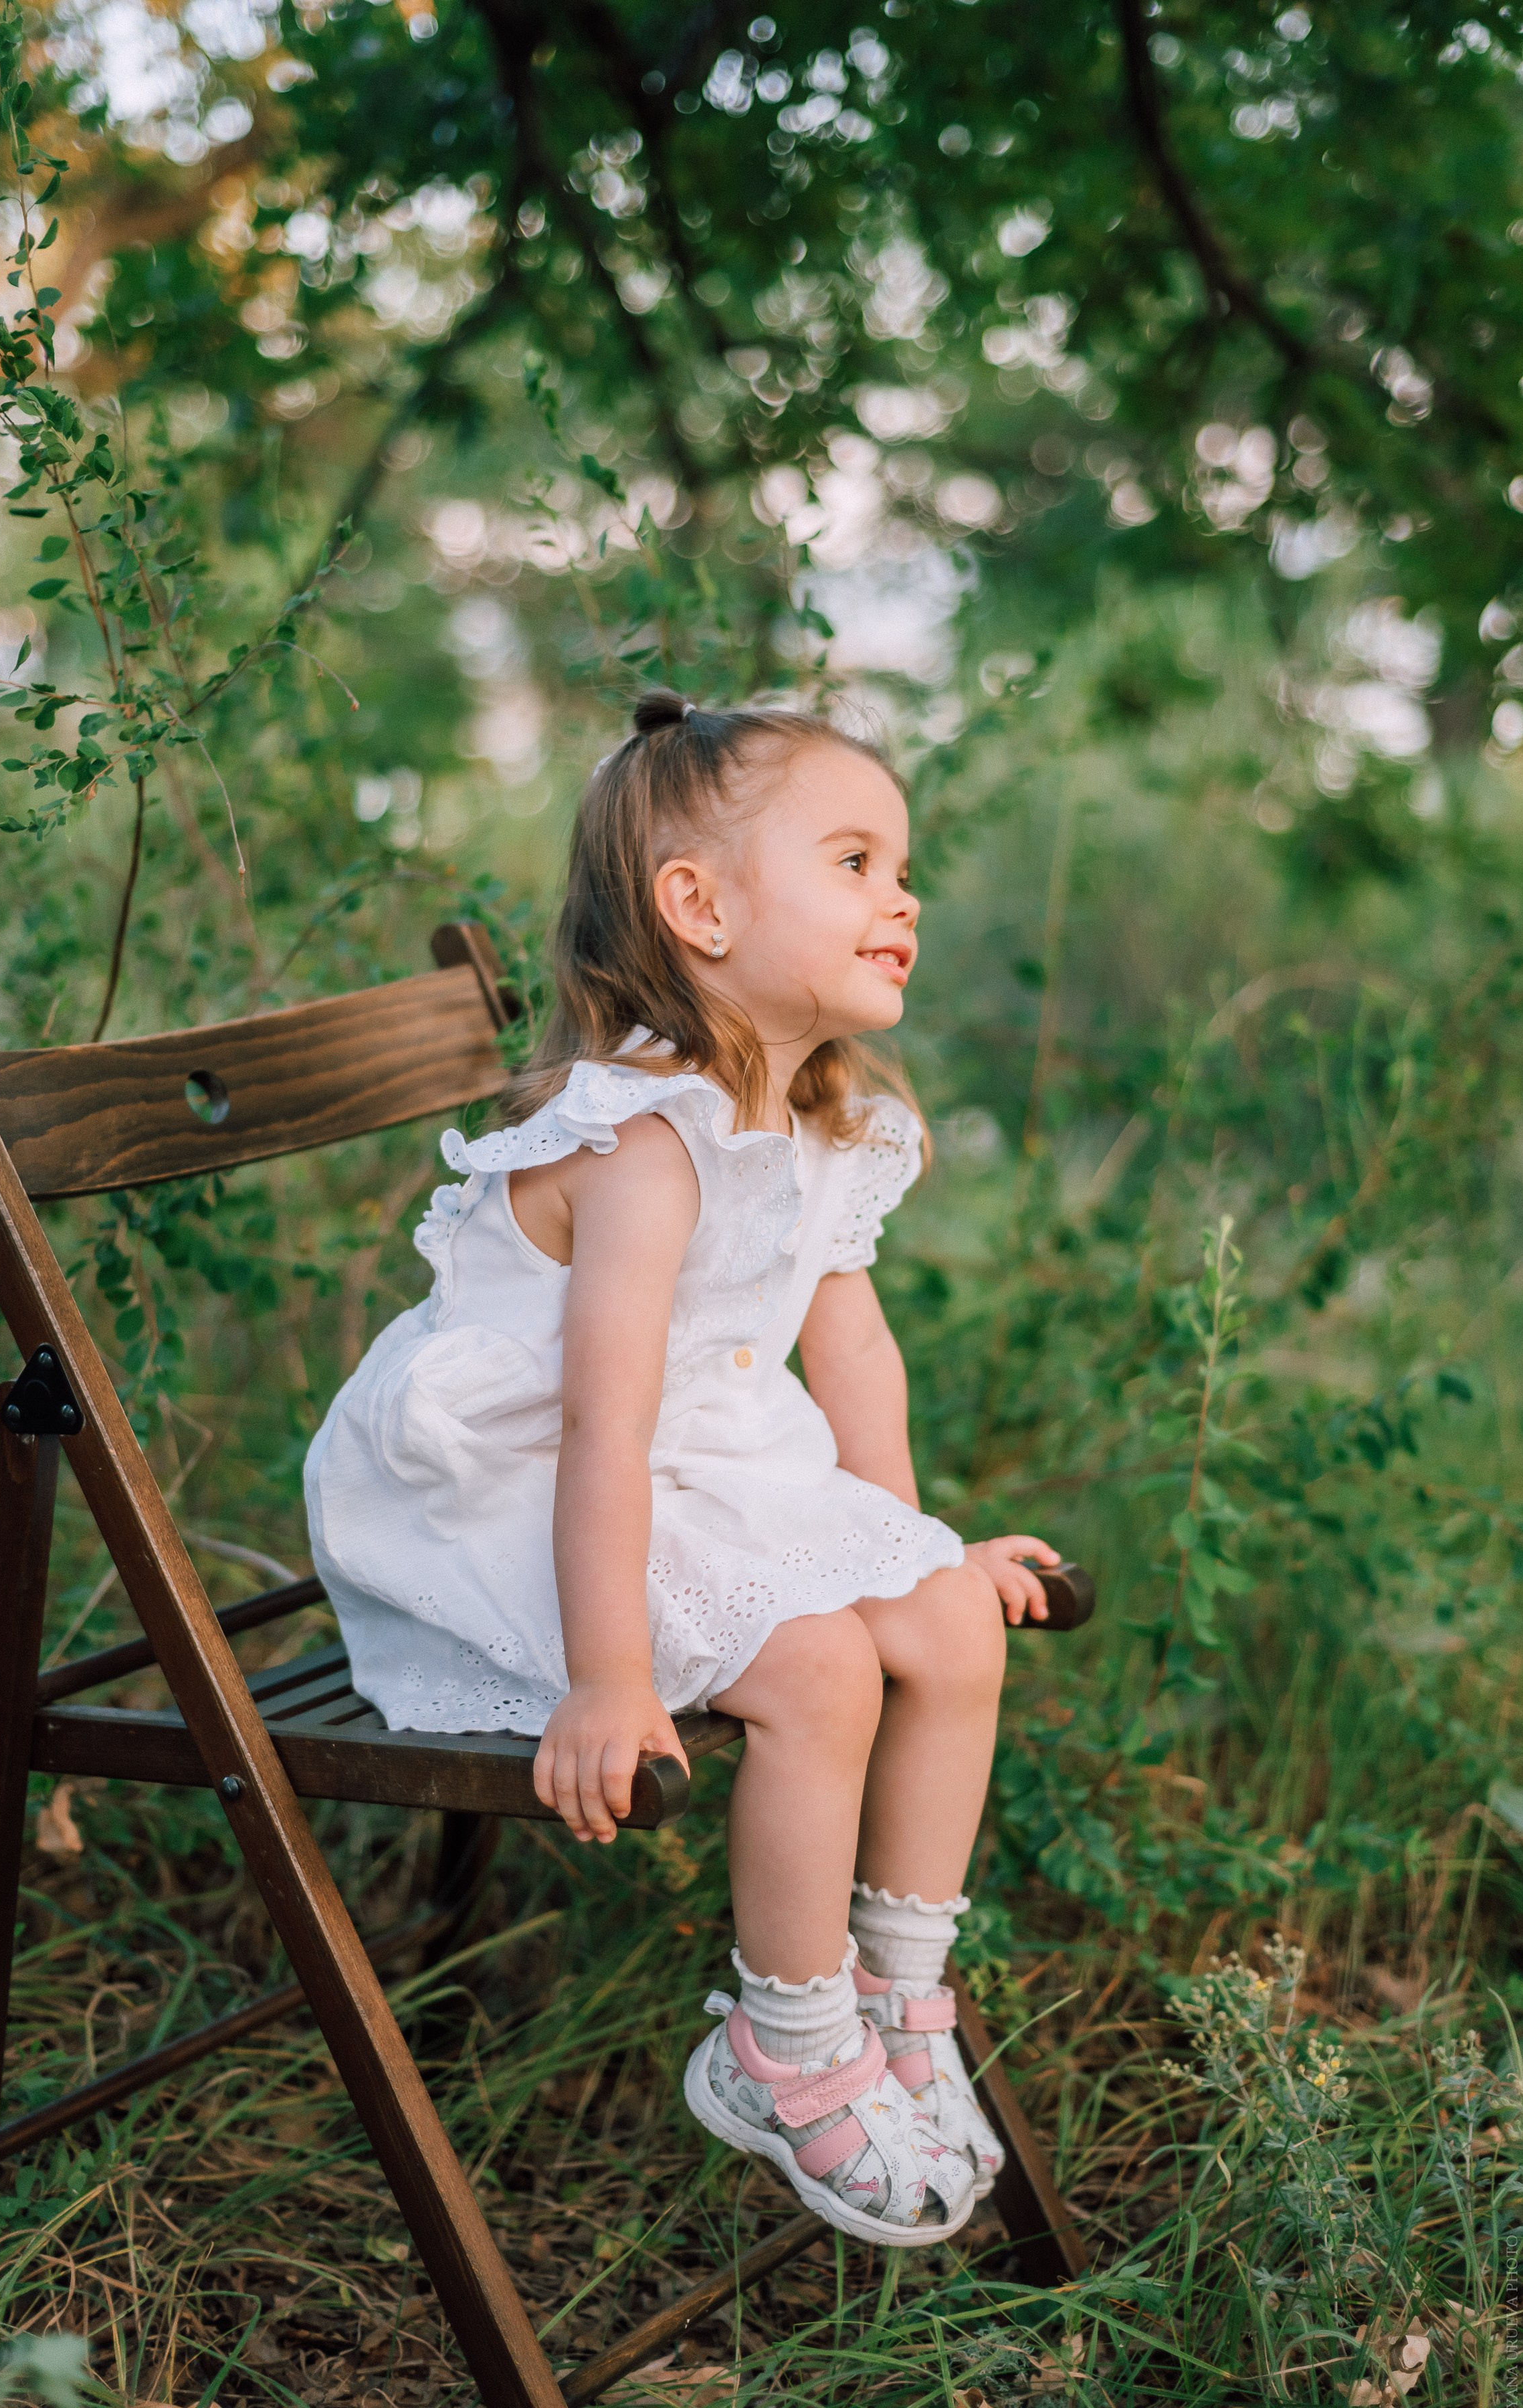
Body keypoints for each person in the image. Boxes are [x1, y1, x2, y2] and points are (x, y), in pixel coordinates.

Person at [305, 688, 1061, 2245]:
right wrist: (607, 1675)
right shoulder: (638, 1142)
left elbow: (848, 1357)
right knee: (820, 1674)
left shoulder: (821, 1121)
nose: (901, 896)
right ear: (697, 908)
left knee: (947, 1623)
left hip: (691, 1461)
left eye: (899, 865)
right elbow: (596, 1428)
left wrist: (912, 1548)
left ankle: (898, 2004)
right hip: (506, 1495)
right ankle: (779, 2050)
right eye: (853, 859)